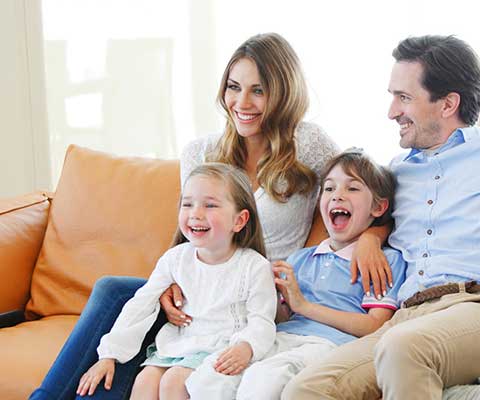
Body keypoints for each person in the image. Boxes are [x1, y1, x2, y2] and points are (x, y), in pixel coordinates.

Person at [31, 32, 389, 400]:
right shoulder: (200, 152)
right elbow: (189, 233)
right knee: (118, 298)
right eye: (234, 87)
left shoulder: (308, 143)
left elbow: (360, 190)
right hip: (201, 288)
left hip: (255, 296)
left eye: (259, 90)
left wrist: (371, 237)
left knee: (145, 339)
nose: (242, 102)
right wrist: (170, 284)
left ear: (283, 93)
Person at [282, 35, 480, 400]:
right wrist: (372, 237)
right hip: (410, 317)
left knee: (404, 349)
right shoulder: (398, 172)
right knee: (306, 389)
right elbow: (373, 212)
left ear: (448, 103)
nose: (391, 112)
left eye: (403, 98)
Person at [76, 163, 277, 399]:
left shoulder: (254, 266)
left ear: (239, 220)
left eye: (210, 205)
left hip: (224, 348)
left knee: (174, 383)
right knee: (145, 381)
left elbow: (262, 320)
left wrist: (247, 347)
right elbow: (141, 305)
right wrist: (109, 355)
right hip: (180, 345)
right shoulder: (176, 258)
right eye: (187, 204)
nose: (196, 213)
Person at [234, 150, 406, 399]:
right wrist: (270, 291)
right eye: (329, 189)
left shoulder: (383, 260)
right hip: (283, 338)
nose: (338, 196)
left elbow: (375, 326)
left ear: (378, 207)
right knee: (222, 373)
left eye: (352, 189)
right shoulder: (301, 258)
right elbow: (284, 317)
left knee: (266, 377)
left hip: (330, 345)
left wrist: (303, 306)